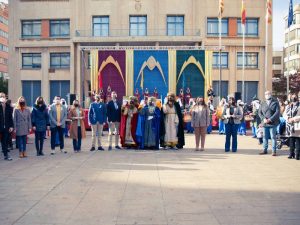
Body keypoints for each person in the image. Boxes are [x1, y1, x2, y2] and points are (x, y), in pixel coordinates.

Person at [258, 91, 280, 156]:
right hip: (265, 123)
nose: (267, 95)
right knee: (265, 137)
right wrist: (263, 119)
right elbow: (260, 112)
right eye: (266, 94)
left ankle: (274, 151)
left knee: (273, 137)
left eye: (268, 94)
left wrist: (270, 119)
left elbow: (277, 112)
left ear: (271, 94)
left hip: (273, 123)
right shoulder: (262, 103)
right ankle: (265, 150)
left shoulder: (275, 102)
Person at [284, 93, 300, 160]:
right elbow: (284, 113)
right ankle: (291, 154)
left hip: (297, 125)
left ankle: (297, 155)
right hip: (289, 126)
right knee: (291, 141)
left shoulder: (299, 105)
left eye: (295, 97)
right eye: (292, 97)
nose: (293, 98)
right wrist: (287, 118)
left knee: (298, 141)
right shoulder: (289, 106)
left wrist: (292, 119)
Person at [0, 92, 13, 161]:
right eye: (1, 96)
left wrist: (11, 126)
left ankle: (6, 155)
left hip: (6, 127)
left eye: (3, 96)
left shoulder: (8, 107)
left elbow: (10, 117)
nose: (2, 97)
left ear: (5, 98)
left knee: (5, 141)